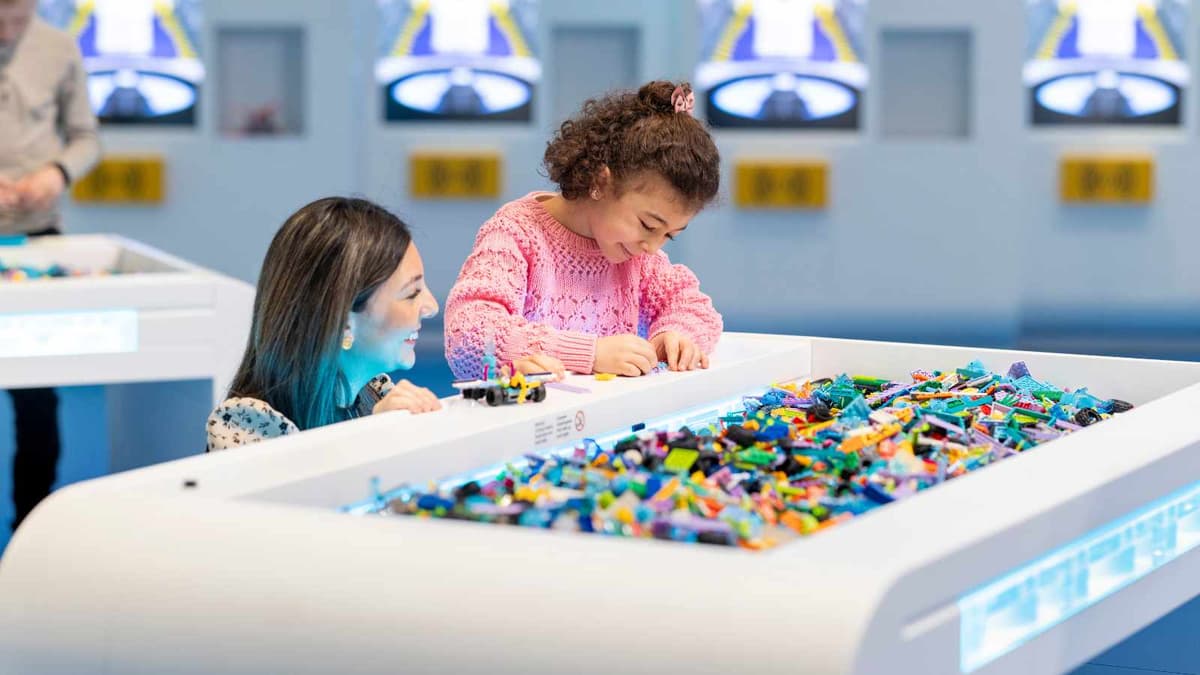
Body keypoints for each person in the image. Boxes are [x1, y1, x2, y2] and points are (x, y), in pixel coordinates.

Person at [207, 197, 562, 452]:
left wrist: (512, 394)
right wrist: (372, 437)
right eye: (411, 294)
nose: (431, 307)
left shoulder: (374, 392)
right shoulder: (243, 427)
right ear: (342, 323)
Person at [444, 80, 723, 380]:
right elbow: (468, 335)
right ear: (601, 182)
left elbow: (692, 305)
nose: (653, 247)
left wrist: (676, 334)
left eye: (669, 235)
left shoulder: (638, 258)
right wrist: (589, 353)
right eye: (648, 225)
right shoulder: (517, 233)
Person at [0, 0, 100, 530]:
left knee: (38, 396)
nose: (6, 31)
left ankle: (30, 527)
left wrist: (56, 174)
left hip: (37, 240)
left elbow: (86, 137)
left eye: (16, 18)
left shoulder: (59, 49)